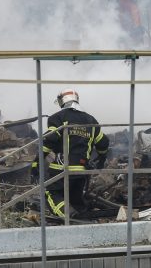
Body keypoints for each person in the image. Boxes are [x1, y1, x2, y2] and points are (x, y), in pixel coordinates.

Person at [32, 88, 109, 218]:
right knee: (75, 198)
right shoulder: (91, 120)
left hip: (62, 168)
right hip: (82, 170)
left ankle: (70, 217)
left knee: (51, 193)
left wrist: (36, 163)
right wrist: (101, 160)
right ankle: (82, 220)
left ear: (62, 101)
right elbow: (103, 143)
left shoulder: (58, 117)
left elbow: (49, 140)